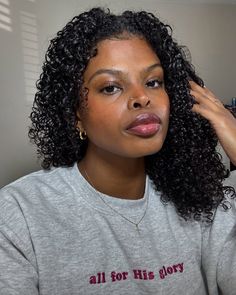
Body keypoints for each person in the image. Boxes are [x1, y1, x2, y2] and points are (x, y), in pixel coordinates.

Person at [0, 7, 236, 295]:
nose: (141, 98)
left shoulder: (203, 202)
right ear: (75, 113)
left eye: (153, 82)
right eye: (111, 87)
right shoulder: (18, 215)